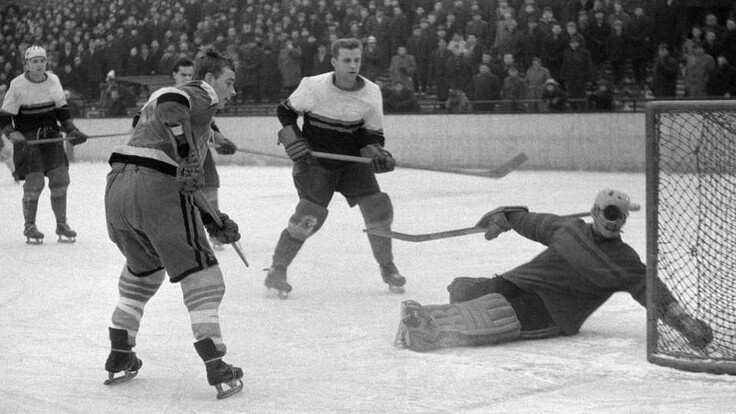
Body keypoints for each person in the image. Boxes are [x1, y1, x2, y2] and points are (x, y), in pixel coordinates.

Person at [395, 190, 714, 353]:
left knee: (495, 314)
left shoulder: (624, 260)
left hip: (550, 311)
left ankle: (430, 331)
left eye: (617, 216)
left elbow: (651, 289)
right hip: (519, 283)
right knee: (462, 289)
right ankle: (427, 317)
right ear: (595, 211)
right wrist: (502, 219)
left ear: (622, 221)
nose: (611, 220)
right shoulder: (568, 229)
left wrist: (683, 322)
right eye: (607, 212)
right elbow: (525, 220)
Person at [103, 49, 244, 399]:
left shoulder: (159, 114)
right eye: (229, 82)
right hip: (154, 188)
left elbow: (169, 168)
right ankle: (216, 363)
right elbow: (172, 101)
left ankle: (120, 351)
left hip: (118, 189)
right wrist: (185, 154)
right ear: (210, 79)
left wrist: (213, 220)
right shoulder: (199, 92)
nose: (232, 91)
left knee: (143, 270)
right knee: (204, 274)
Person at [266, 37, 405, 298]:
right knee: (308, 218)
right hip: (316, 163)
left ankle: (388, 268)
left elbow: (372, 134)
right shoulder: (313, 86)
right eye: (346, 60)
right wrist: (293, 137)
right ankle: (277, 269)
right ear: (333, 61)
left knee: (378, 209)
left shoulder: (372, 91)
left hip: (353, 164)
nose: (353, 65)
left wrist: (376, 152)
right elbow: (285, 111)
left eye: (357, 60)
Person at [0, 46, 88, 244]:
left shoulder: (54, 80)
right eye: (34, 61)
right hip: (29, 141)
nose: (39, 65)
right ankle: (29, 225)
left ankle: (61, 224)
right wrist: (14, 135)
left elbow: (62, 112)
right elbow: (4, 119)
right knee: (35, 183)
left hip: (52, 137)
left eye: (42, 61)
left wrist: (71, 129)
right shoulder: (17, 85)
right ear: (27, 64)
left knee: (60, 179)